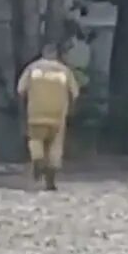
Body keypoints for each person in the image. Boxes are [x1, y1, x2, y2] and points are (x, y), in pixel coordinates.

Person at [16, 42, 80, 191]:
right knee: (55, 147)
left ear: (43, 53)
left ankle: (38, 160)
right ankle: (50, 180)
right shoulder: (64, 71)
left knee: (36, 140)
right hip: (58, 114)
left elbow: (21, 90)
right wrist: (71, 110)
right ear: (56, 54)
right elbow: (74, 93)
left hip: (36, 112)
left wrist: (23, 110)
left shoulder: (32, 68)